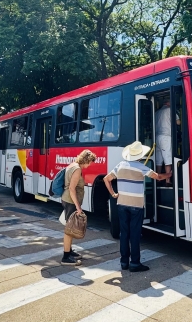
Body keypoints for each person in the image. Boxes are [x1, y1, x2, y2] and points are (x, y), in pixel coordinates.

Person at [104, 141, 171, 272]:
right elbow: (157, 177)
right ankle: (135, 263)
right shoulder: (141, 167)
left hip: (121, 204)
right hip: (136, 206)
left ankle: (124, 262)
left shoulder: (120, 165)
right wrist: (168, 175)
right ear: (139, 156)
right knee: (134, 234)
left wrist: (113, 194)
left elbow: (106, 179)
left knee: (124, 233)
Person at [60, 150, 97, 266]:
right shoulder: (77, 169)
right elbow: (72, 189)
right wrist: (78, 207)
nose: (90, 165)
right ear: (86, 160)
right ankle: (66, 257)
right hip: (71, 202)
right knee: (69, 229)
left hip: (68, 200)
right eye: (90, 162)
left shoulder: (73, 165)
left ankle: (69, 251)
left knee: (70, 228)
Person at [155, 100, 178, 183]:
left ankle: (158, 180)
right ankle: (167, 180)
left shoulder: (157, 113)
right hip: (166, 137)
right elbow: (178, 122)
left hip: (157, 137)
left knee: (158, 161)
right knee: (167, 159)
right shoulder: (170, 110)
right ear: (169, 103)